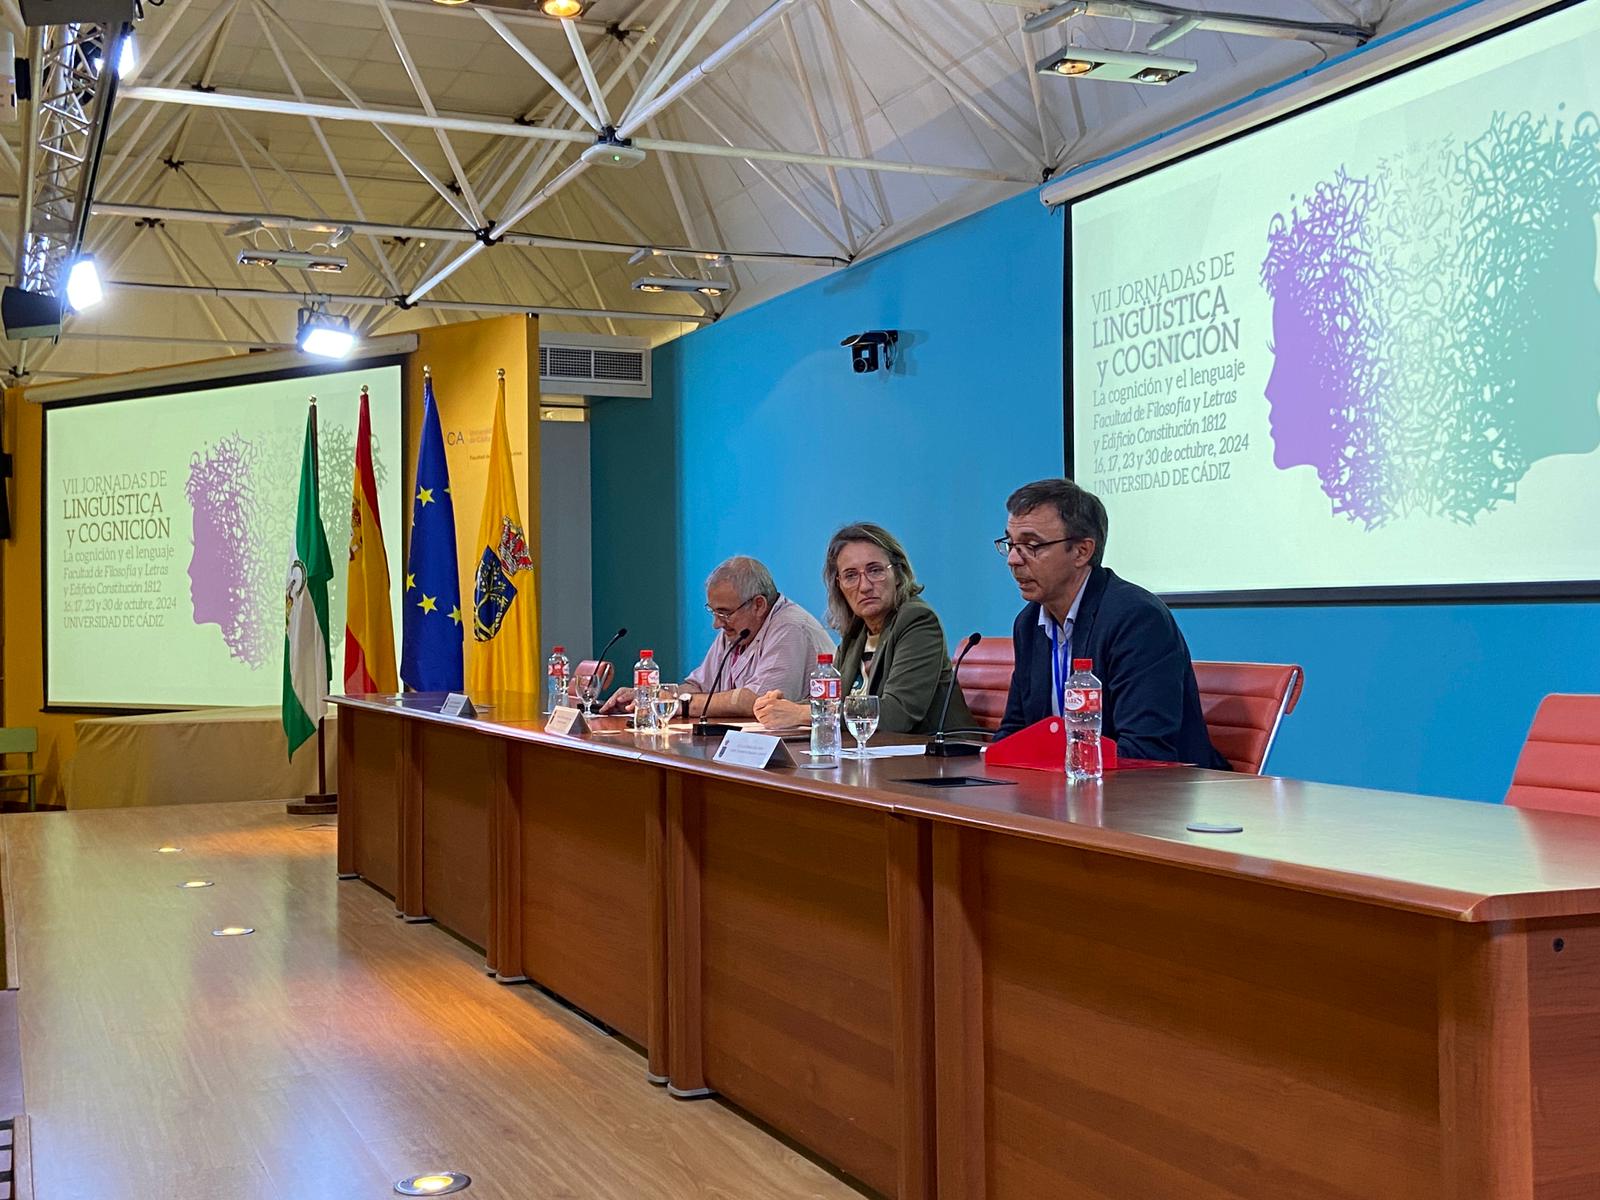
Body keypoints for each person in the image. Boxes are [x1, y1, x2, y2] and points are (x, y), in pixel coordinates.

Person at [996, 478, 1228, 768]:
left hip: (1155, 789)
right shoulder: (1029, 623)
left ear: (1082, 551)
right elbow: (1015, 731)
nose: (1013, 560)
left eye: (1031, 545)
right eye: (1011, 544)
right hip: (1068, 784)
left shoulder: (1137, 620)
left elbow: (1144, 751)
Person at [753, 523, 972, 736]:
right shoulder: (857, 632)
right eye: (850, 575)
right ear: (839, 585)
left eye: (875, 571)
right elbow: (833, 702)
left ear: (898, 574)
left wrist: (803, 713)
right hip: (873, 751)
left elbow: (897, 714)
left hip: (937, 754)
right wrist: (780, 707)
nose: (865, 586)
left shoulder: (918, 621)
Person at [602, 555, 831, 719]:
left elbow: (756, 700)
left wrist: (679, 704)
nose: (716, 623)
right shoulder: (736, 629)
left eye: (724, 613)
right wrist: (647, 697)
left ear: (759, 605)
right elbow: (699, 686)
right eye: (714, 612)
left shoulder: (790, 627)